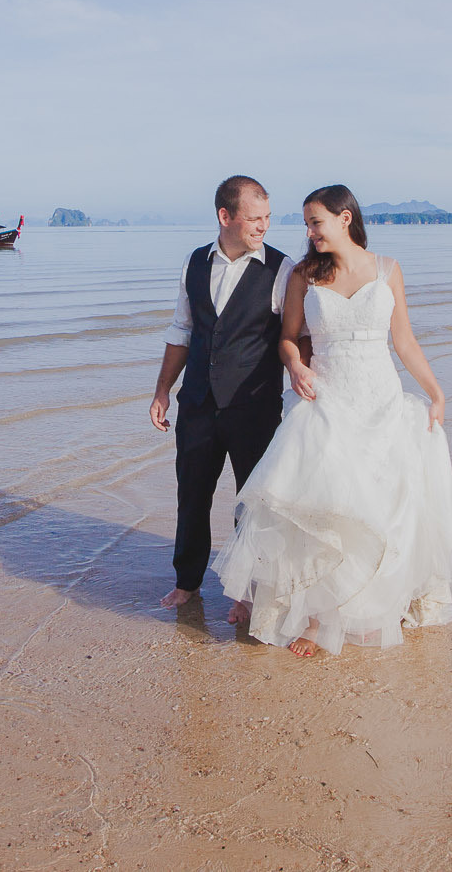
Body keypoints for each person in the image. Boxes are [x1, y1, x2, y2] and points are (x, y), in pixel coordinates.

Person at [214, 184, 452, 656]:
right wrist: (296, 366)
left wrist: (435, 393)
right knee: (321, 510)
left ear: (345, 218)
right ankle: (315, 620)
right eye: (308, 224)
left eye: (316, 222)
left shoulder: (388, 270)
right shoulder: (304, 276)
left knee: (381, 508)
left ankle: (374, 605)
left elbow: (405, 342)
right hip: (327, 399)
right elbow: (288, 339)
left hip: (381, 400)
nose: (309, 232)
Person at [151, 175, 297, 617]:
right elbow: (182, 331)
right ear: (225, 216)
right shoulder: (194, 263)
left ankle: (247, 590)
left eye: (268, 218)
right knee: (191, 493)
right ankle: (187, 582)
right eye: (255, 218)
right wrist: (163, 390)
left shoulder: (282, 269)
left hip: (253, 407)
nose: (263, 227)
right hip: (196, 403)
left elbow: (296, 337)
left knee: (252, 501)